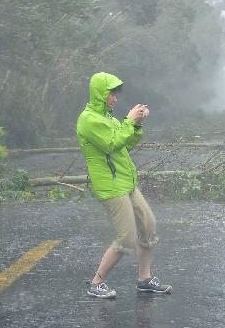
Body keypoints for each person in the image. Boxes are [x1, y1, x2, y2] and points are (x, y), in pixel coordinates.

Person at [77, 71, 172, 298]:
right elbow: (111, 145)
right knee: (126, 237)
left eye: (116, 94)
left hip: (126, 181)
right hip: (110, 186)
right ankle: (96, 283)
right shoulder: (88, 120)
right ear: (100, 94)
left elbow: (124, 145)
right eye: (112, 93)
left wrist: (136, 125)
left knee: (148, 226)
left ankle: (144, 279)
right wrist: (129, 120)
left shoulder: (108, 118)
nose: (115, 98)